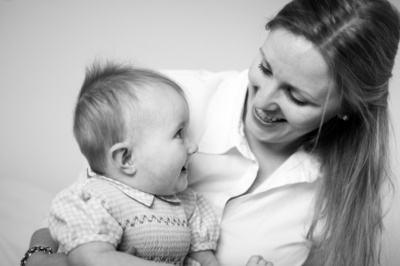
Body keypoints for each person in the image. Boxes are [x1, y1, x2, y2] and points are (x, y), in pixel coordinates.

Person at [24, 0, 400, 265]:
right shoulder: (167, 103)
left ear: (348, 109)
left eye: (296, 96)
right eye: (265, 68)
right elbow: (72, 215)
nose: (263, 102)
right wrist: (40, 257)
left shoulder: (348, 194)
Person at [36, 62, 271, 266]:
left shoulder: (189, 205)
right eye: (180, 134)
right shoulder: (93, 199)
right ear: (126, 159)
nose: (194, 146)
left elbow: (205, 261)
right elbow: (91, 259)